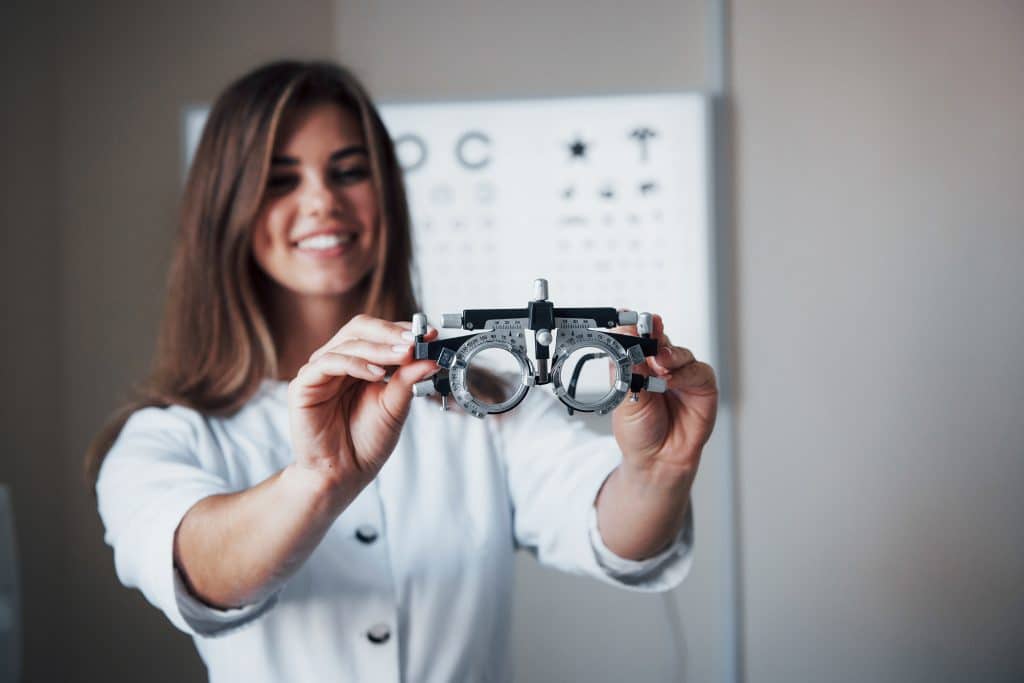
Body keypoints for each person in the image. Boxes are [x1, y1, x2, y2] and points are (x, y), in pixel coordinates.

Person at [85, 60, 719, 682]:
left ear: (385, 191)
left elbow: (612, 529)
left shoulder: (485, 404)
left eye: (349, 171)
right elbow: (205, 576)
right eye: (280, 179)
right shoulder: (162, 438)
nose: (322, 201)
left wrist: (660, 472)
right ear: (225, 210)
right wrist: (318, 479)